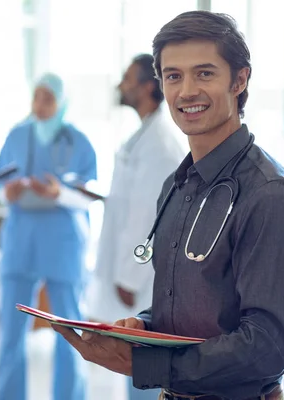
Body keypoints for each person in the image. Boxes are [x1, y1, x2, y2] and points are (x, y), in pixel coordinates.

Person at [52, 11, 284, 400]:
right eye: (174, 76)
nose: (187, 90)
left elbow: (268, 346)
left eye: (204, 73)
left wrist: (148, 364)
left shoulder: (268, 196)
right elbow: (194, 309)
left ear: (240, 79)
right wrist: (143, 328)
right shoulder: (178, 186)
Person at [86, 54, 186, 400]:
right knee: (134, 367)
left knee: (143, 368)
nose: (120, 85)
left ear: (147, 87)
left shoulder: (158, 143)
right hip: (133, 274)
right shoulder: (145, 135)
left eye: (127, 78)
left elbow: (147, 218)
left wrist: (130, 276)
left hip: (140, 280)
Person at [0, 72, 97, 400]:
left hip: (62, 241)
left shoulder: (78, 140)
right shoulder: (17, 135)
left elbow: (92, 194)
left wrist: (58, 194)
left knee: (70, 332)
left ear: (61, 102)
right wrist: (4, 193)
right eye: (36, 97)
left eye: (48, 98)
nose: (40, 105)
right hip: (20, 239)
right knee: (11, 333)